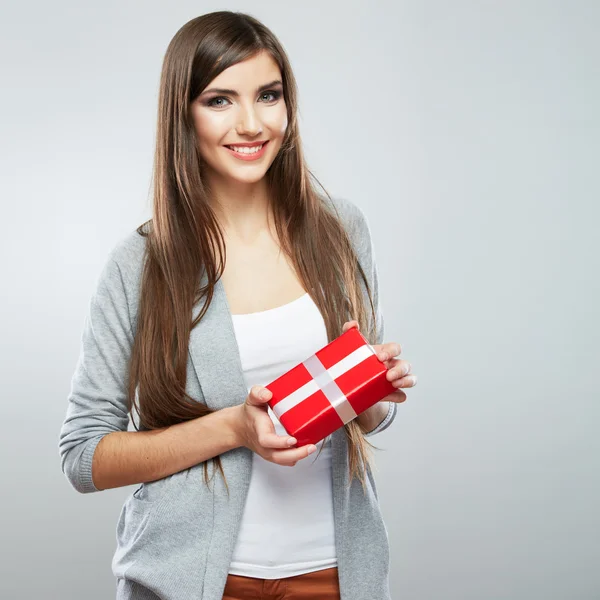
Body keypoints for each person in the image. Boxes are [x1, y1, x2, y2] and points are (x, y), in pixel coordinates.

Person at [58, 10, 417, 600]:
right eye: (220, 100)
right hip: (191, 582)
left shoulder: (342, 230)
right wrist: (233, 428)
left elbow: (365, 412)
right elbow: (82, 455)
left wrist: (375, 392)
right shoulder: (142, 263)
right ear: (184, 114)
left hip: (334, 575)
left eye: (268, 96)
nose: (251, 124)